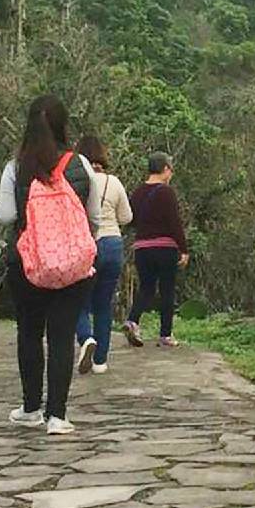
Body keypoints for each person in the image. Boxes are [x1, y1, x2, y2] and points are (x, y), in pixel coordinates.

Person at [0, 94, 99, 435]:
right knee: (61, 335)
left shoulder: (15, 167)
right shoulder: (81, 165)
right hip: (71, 266)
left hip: (28, 264)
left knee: (29, 333)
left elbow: (6, 215)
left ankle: (30, 408)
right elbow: (93, 217)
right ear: (62, 124)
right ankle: (58, 415)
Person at [74, 134, 132, 375]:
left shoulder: (76, 181)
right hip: (112, 244)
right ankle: (100, 361)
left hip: (85, 244)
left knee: (79, 301)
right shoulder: (114, 182)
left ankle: (86, 338)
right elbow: (127, 217)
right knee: (103, 304)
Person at [123, 152, 189, 348]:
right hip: (165, 247)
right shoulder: (166, 192)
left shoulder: (137, 192)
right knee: (167, 289)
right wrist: (183, 249)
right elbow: (174, 222)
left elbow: (131, 220)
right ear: (165, 169)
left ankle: (132, 321)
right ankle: (165, 334)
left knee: (146, 287)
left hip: (142, 247)